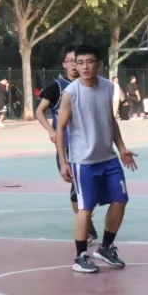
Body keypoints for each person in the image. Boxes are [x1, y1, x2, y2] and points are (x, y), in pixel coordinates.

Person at [55, 43, 137, 274]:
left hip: (109, 158)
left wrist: (121, 148)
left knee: (120, 200)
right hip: (83, 161)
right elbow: (60, 128)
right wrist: (63, 162)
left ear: (98, 64)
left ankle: (106, 248)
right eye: (80, 63)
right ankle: (80, 255)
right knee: (86, 207)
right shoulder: (71, 93)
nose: (84, 67)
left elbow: (110, 119)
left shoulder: (108, 87)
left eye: (89, 62)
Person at [35, 45, 98, 243]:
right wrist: (50, 130)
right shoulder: (57, 86)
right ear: (64, 64)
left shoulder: (88, 84)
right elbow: (39, 111)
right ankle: (84, 225)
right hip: (68, 145)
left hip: (89, 144)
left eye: (75, 61)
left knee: (91, 186)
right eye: (70, 61)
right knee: (77, 186)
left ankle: (85, 219)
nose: (73, 65)